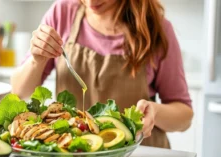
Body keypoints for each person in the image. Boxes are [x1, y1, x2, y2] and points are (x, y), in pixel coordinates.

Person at [11, 0, 193, 148]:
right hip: (76, 155)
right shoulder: (62, 14)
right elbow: (20, 92)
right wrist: (37, 59)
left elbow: (184, 116)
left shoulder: (157, 28)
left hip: (139, 155)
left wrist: (155, 112)